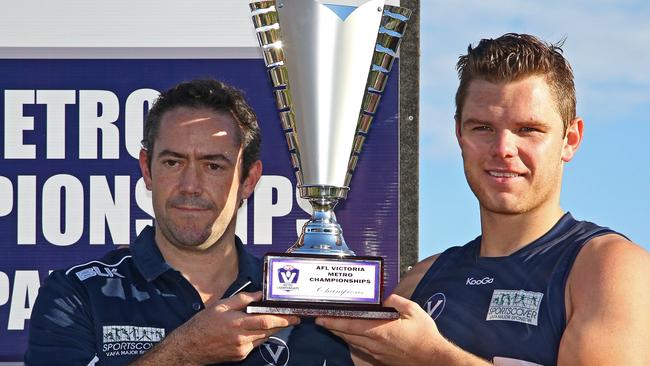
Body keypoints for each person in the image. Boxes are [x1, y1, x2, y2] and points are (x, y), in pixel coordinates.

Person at [316, 33, 650, 365]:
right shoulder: (421, 281)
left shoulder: (607, 268)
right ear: (459, 133)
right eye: (483, 128)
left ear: (570, 139)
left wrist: (431, 357)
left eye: (528, 130)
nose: (503, 149)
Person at [25, 79, 353, 366]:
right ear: (147, 169)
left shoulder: (295, 299)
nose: (190, 185)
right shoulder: (78, 293)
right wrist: (185, 352)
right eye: (173, 162)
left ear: (249, 180)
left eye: (213, 166)